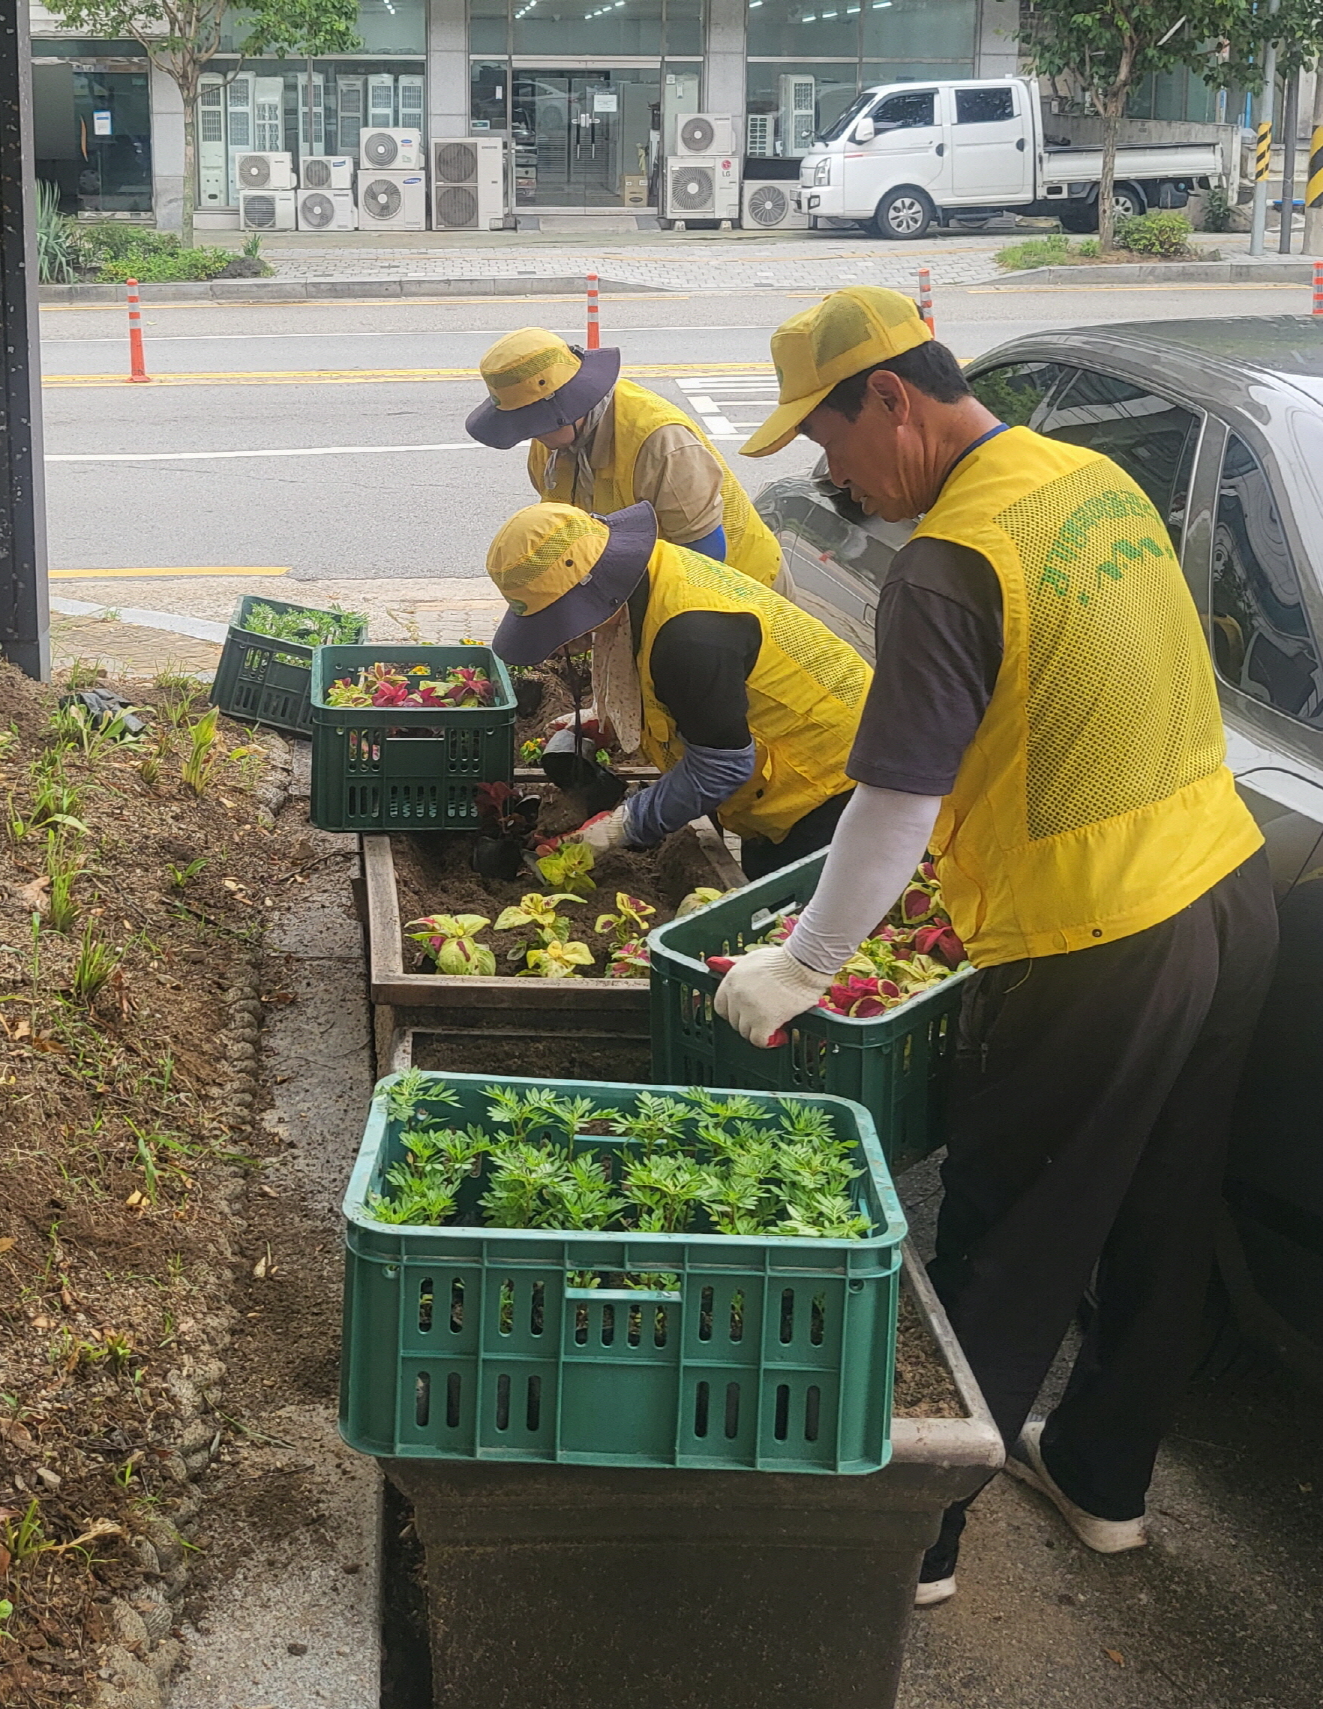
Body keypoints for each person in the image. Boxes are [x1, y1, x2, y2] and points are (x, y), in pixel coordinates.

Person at [715, 285, 1277, 1602]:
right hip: (1228, 891)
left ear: (893, 399)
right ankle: (1101, 1477)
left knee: (1008, 1233)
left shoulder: (952, 563)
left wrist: (801, 962)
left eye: (830, 437)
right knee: (1159, 1209)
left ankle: (913, 1546)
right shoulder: (1085, 479)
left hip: (1102, 940)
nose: (830, 473)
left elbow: (896, 797)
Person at [482, 499, 868, 876]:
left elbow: (721, 768)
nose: (561, 639)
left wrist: (620, 827)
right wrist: (611, 717)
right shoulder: (652, 575)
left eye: (558, 621)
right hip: (788, 778)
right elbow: (681, 690)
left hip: (841, 789)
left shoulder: (689, 639)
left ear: (596, 588)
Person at [466, 328, 792, 596]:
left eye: (535, 422)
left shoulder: (661, 444)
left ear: (571, 404)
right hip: (646, 576)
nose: (530, 435)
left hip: (736, 588)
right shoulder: (550, 442)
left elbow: (704, 556)